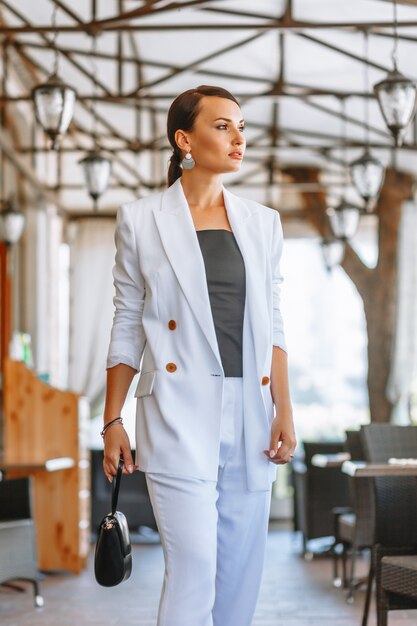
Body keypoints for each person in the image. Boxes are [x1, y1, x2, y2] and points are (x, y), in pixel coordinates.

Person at [102, 84, 296, 626]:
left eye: (241, 126)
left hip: (252, 413)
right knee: (192, 570)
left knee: (240, 575)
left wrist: (285, 408)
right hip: (177, 408)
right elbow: (126, 322)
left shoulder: (264, 224)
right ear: (184, 138)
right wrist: (112, 418)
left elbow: (273, 325)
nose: (239, 138)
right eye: (223, 125)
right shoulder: (140, 219)